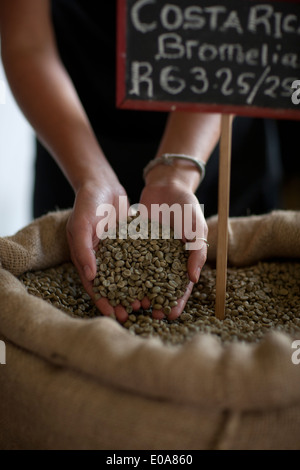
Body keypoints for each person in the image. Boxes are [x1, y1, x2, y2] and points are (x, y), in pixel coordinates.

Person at [0, 0, 282, 323]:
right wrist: (91, 177)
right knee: (78, 263)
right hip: (73, 125)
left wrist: (175, 176)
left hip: (213, 130)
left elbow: (231, 39)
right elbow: (27, 42)